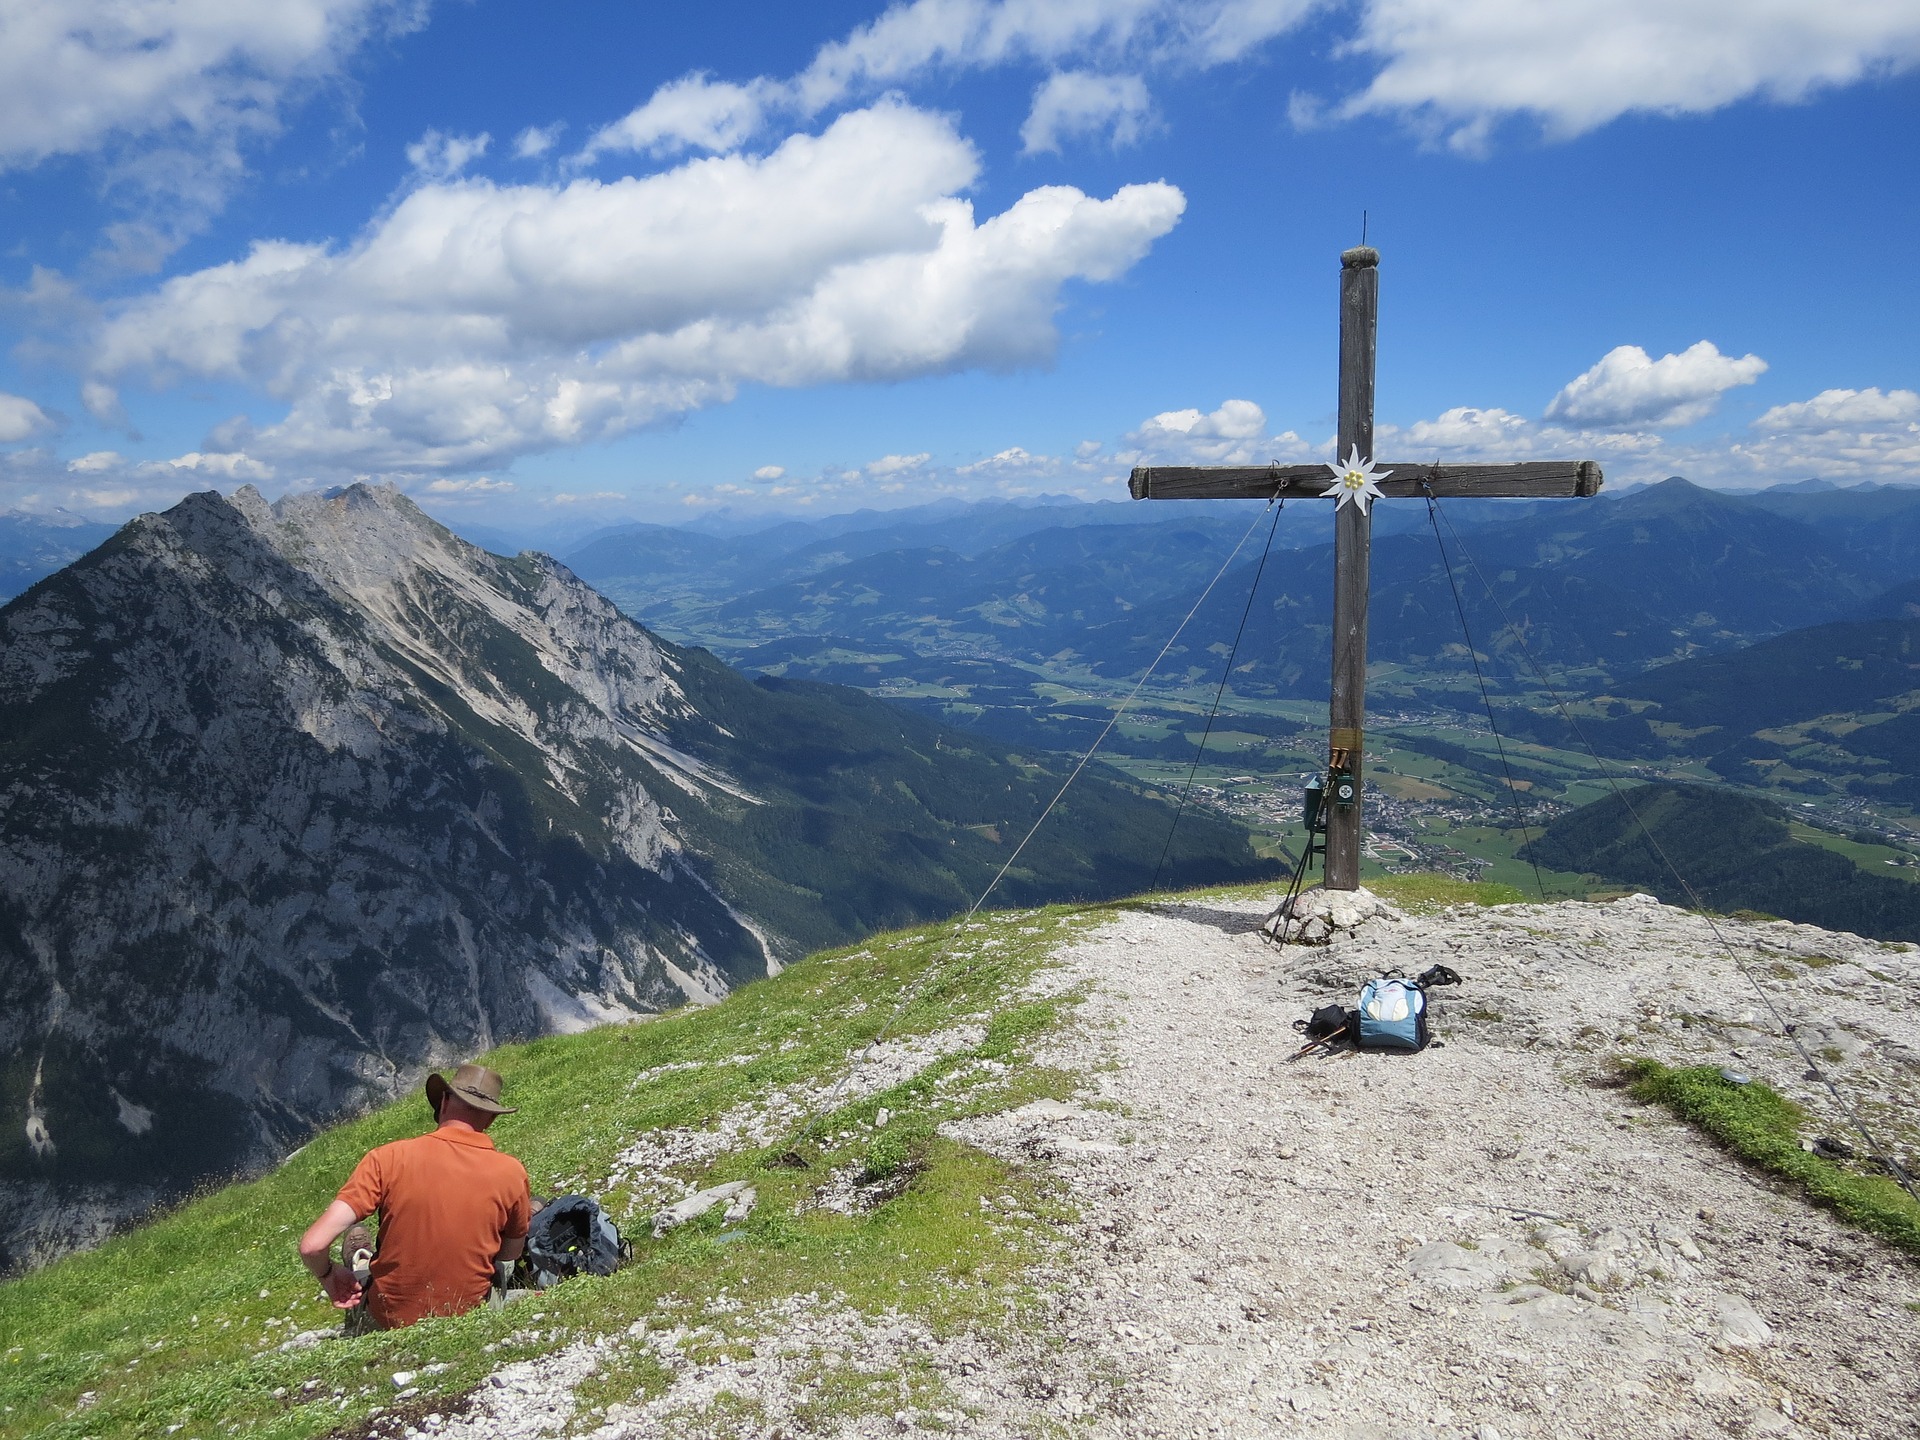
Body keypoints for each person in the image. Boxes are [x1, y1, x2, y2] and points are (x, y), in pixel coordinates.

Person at [298, 1064, 532, 1329]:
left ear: (443, 1101)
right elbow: (509, 1254)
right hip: (467, 1318)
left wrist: (328, 1275)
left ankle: (360, 1262)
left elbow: (312, 1246)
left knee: (371, 1270)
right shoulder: (512, 1172)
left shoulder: (386, 1158)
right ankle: (363, 1261)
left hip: (388, 1320)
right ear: (491, 1119)